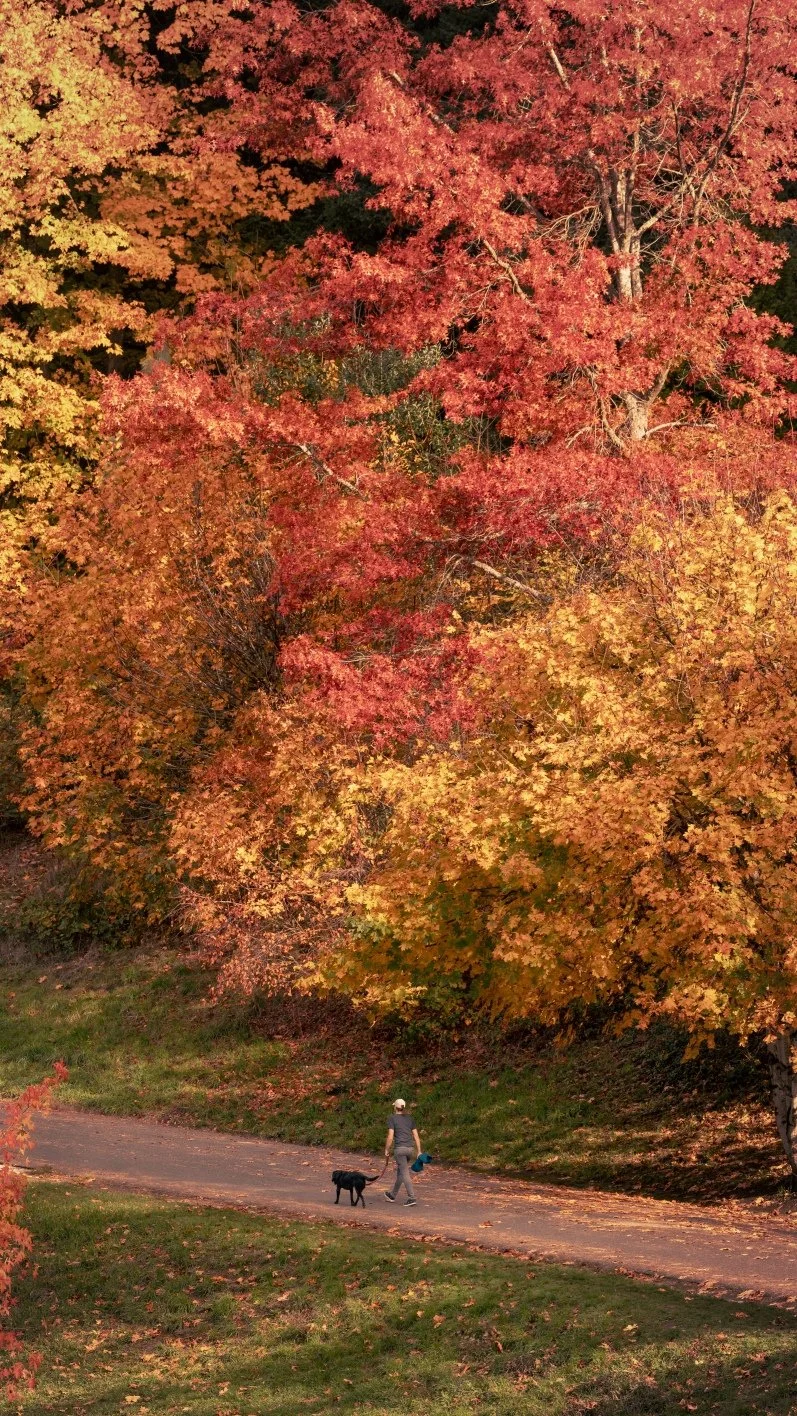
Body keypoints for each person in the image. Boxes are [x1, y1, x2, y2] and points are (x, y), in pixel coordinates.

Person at [383, 1098, 421, 1206]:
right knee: (401, 1172)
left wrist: (387, 1149)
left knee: (404, 1173)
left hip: (400, 1149)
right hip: (410, 1149)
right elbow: (416, 1136)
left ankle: (412, 1197)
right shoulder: (410, 1119)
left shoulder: (392, 1118)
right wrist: (419, 1151)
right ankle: (392, 1195)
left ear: (395, 1107)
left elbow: (390, 1136)